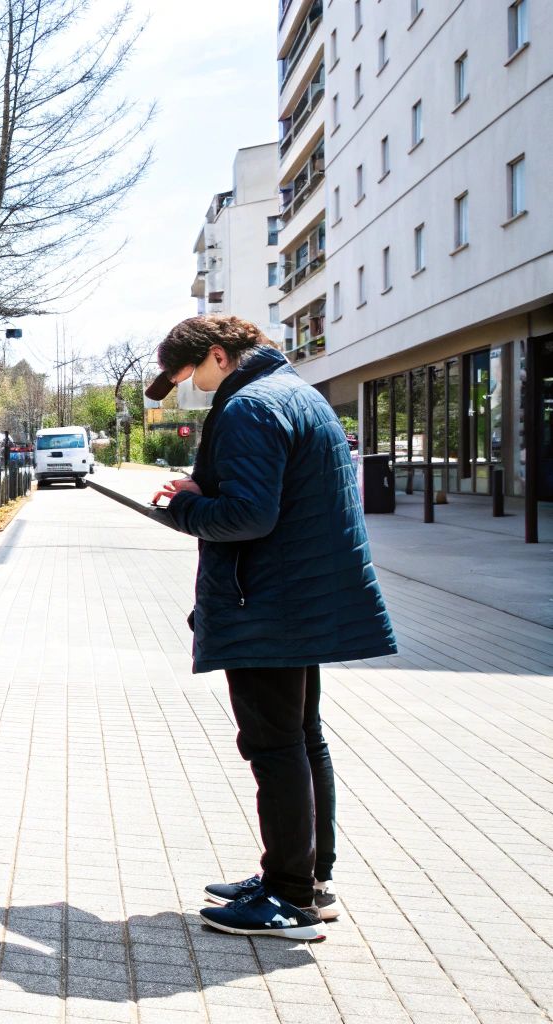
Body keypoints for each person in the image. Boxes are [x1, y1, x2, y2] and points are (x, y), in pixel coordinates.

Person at [145, 315, 396, 941]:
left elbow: (249, 515)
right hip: (296, 597)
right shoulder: (295, 393)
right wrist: (207, 489)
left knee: (274, 746)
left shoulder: (250, 407)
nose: (191, 389)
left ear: (220, 356)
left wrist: (185, 504)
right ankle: (308, 880)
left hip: (267, 603)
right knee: (301, 739)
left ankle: (287, 899)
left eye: (190, 375)